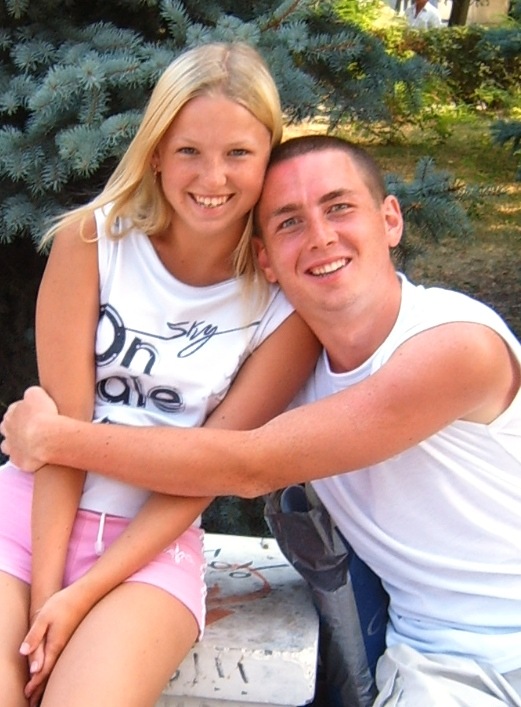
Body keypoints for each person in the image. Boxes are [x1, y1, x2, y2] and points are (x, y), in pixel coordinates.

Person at [2, 135, 521, 705]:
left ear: (390, 219)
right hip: (429, 660)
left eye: (339, 207)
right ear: (266, 258)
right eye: (290, 222)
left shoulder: (457, 346)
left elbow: (247, 467)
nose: (320, 236)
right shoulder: (297, 369)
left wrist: (53, 438)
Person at [0, 45, 320, 707]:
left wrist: (80, 596)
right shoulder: (92, 241)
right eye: (188, 151)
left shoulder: (284, 303)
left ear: (269, 155)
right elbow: (60, 435)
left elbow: (213, 466)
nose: (212, 177)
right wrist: (44, 599)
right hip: (25, 523)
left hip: (151, 548)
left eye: (238, 153)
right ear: (154, 153)